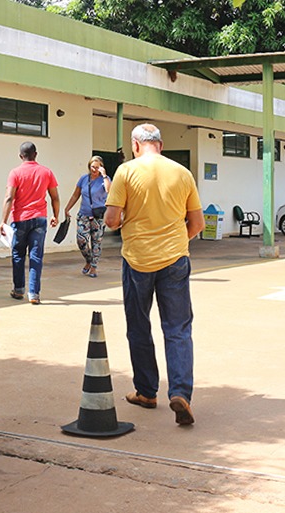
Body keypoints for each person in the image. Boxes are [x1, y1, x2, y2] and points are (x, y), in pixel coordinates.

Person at [104, 124, 204, 425]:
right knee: (177, 329)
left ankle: (147, 392)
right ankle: (180, 393)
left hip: (137, 260)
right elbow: (197, 223)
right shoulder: (182, 172)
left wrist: (126, 222)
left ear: (136, 145)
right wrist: (174, 242)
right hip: (175, 259)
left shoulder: (125, 172)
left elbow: (111, 220)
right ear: (160, 144)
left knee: (139, 326)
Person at [0, 142, 60, 305]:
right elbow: (55, 196)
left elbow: (9, 198)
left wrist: (3, 221)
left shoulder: (15, 173)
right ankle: (34, 294)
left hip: (20, 219)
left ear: (21, 156)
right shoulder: (46, 172)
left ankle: (19, 290)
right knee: (36, 256)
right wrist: (56, 215)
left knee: (18, 255)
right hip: (40, 219)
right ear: (36, 154)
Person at [63, 155, 111, 278]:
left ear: (101, 167)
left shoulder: (104, 179)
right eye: (92, 167)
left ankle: (94, 267)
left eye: (97, 167)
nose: (94, 170)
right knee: (81, 240)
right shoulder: (84, 179)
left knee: (96, 242)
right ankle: (89, 260)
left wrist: (104, 175)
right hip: (84, 214)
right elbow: (75, 195)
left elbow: (109, 191)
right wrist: (67, 208)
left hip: (98, 216)